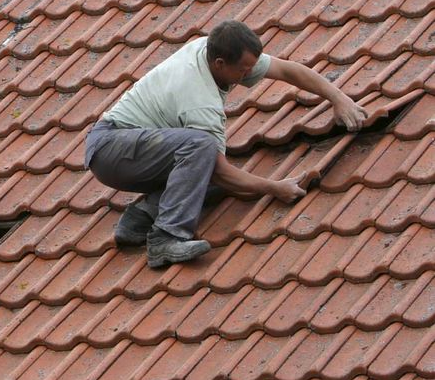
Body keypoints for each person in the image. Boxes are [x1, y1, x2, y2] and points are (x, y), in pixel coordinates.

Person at [84, 20, 367, 268]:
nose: (248, 75)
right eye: (243, 70)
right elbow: (220, 171)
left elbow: (287, 71)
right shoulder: (199, 97)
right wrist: (274, 188)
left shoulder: (211, 49)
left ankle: (139, 219)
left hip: (131, 150)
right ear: (221, 64)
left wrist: (339, 99)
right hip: (113, 149)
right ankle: (166, 239)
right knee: (204, 150)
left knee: (204, 166)